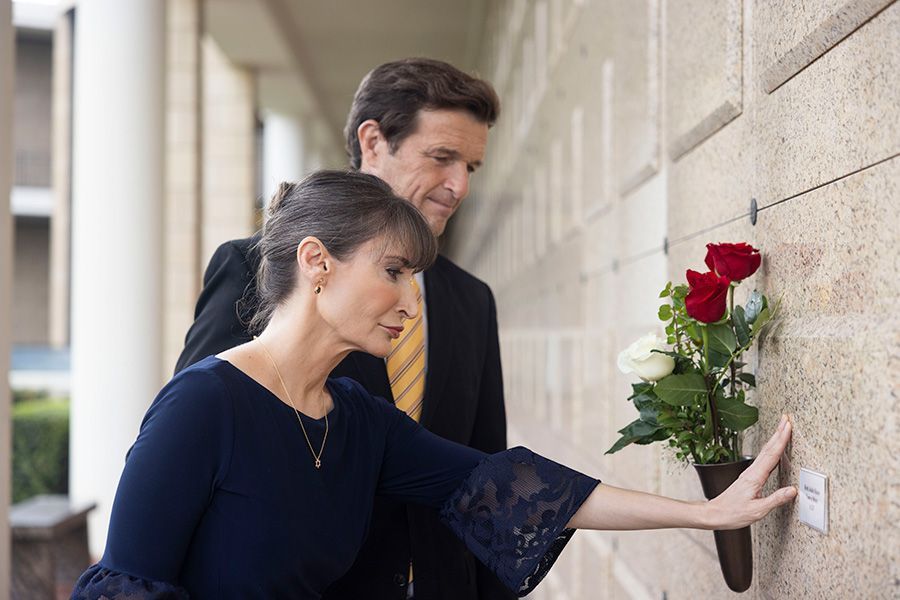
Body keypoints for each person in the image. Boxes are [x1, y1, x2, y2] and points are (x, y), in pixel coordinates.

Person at [72, 171, 797, 600]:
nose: (412, 304)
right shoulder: (203, 406)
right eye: (394, 272)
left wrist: (707, 515)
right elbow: (126, 587)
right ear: (317, 261)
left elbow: (518, 486)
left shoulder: (358, 419)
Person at [175, 58, 511, 600]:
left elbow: (486, 473)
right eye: (443, 158)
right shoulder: (252, 268)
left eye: (471, 166)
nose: (459, 186)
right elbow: (190, 456)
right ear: (373, 142)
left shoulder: (473, 300)